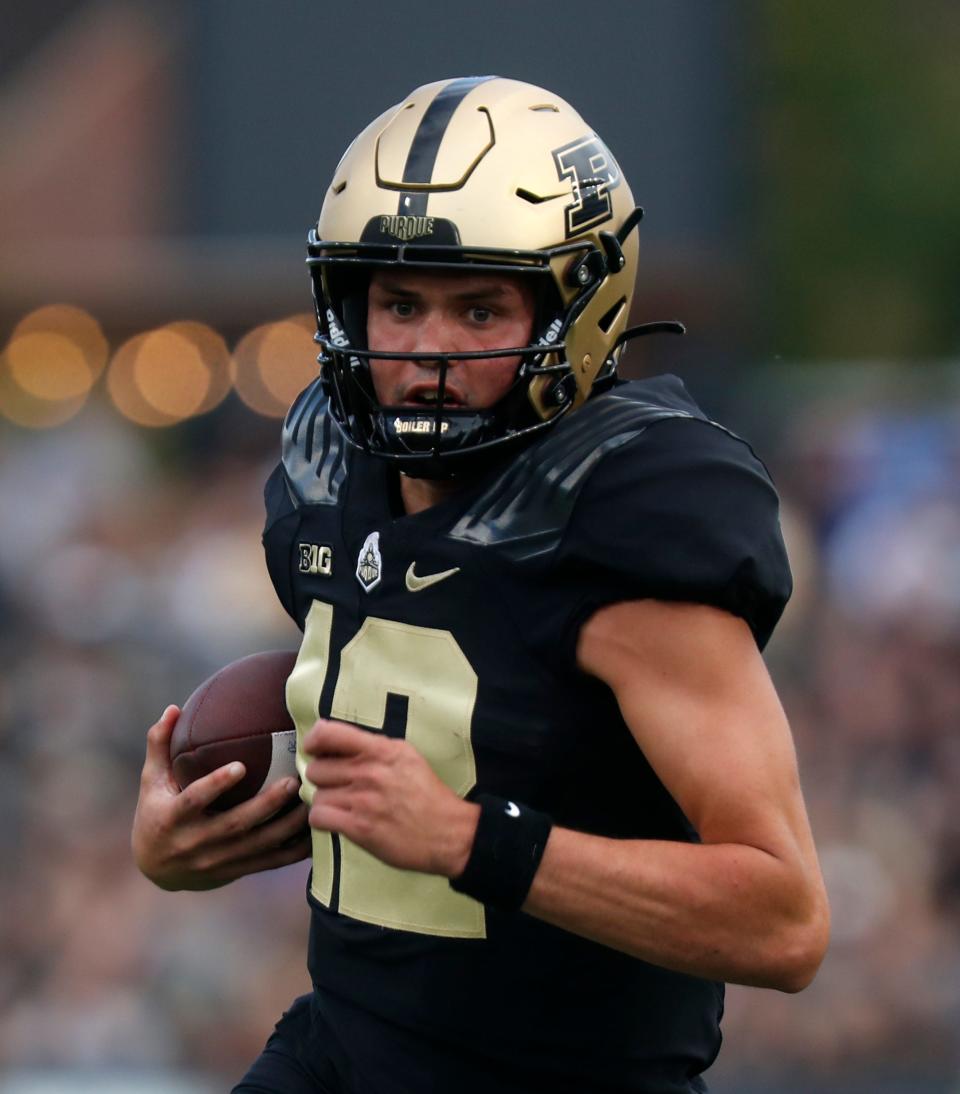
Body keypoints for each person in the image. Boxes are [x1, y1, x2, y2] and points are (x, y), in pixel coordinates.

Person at [132, 76, 829, 1093]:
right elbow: (469, 709)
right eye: (401, 302)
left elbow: (786, 918)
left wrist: (470, 837)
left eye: (479, 307)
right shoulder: (328, 482)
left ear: (574, 308)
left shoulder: (621, 517)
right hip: (340, 1051)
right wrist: (188, 846)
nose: (427, 353)